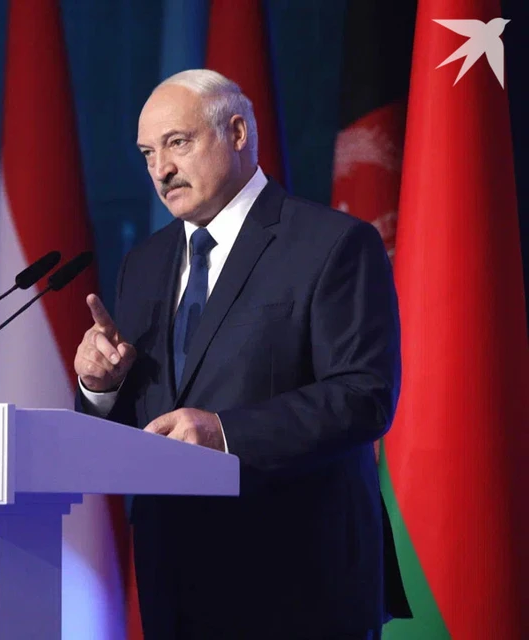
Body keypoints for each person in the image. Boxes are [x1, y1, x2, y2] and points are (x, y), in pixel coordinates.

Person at [74, 69, 408, 638]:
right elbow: (141, 426)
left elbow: (363, 396)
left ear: (236, 133)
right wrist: (100, 387)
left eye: (177, 143)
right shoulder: (144, 264)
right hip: (174, 579)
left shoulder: (332, 244)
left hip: (298, 579)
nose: (161, 169)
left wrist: (224, 433)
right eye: (148, 153)